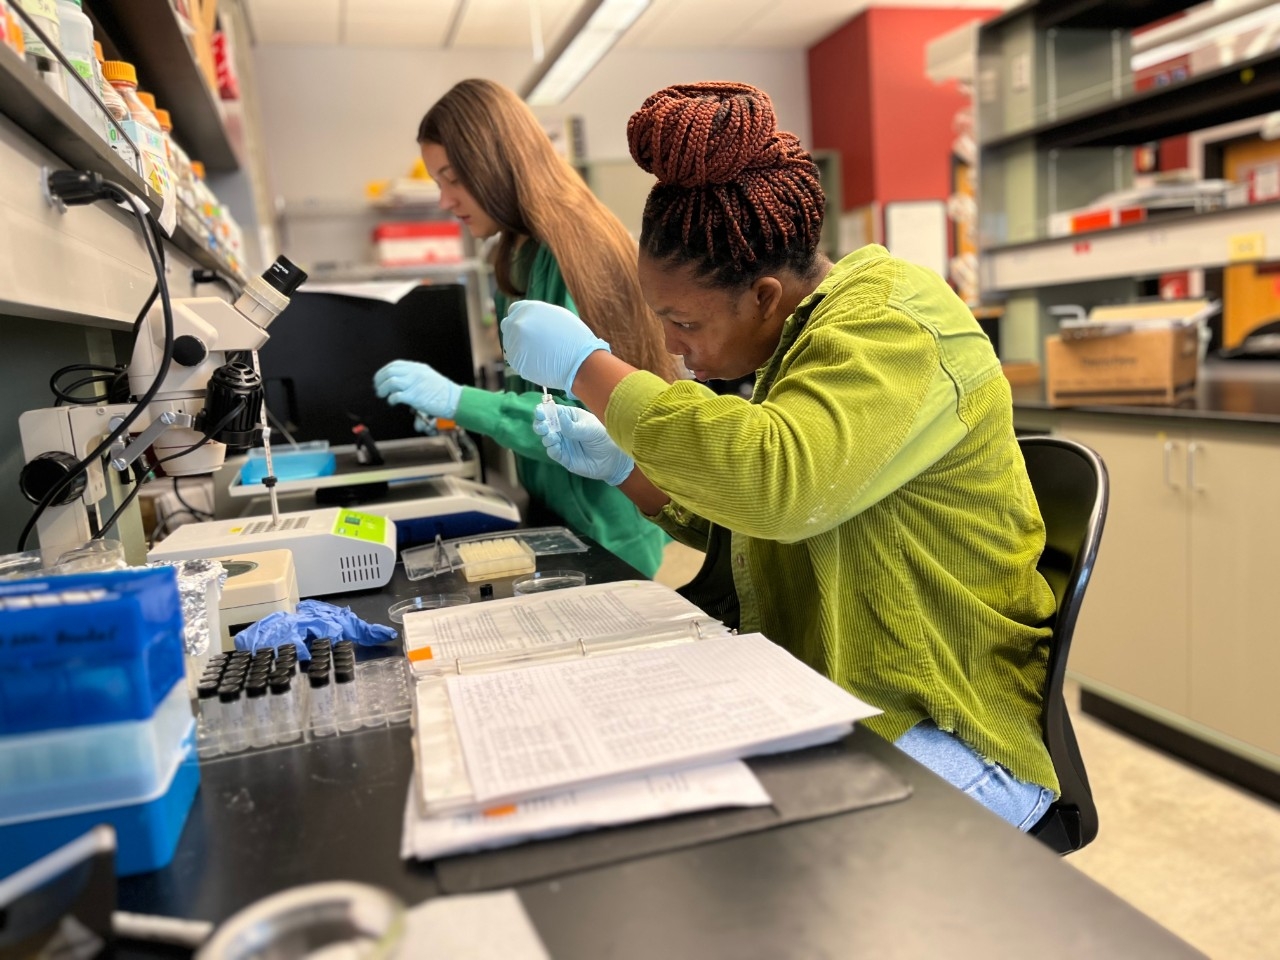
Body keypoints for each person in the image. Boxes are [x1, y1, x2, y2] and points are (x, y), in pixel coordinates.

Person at [499, 82, 1059, 830]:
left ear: (764, 295)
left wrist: (590, 372)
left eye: (681, 321)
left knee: (754, 866)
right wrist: (627, 469)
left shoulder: (893, 324)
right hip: (832, 694)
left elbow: (777, 487)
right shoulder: (797, 343)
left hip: (944, 728)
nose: (670, 345)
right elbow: (755, 521)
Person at [373, 79, 676, 577]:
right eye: (438, 182)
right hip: (560, 505)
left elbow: (577, 415)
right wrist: (461, 415)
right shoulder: (516, 249)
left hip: (606, 518)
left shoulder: (571, 246)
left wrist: (459, 402)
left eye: (453, 178)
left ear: (494, 163)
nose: (445, 200)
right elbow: (534, 389)